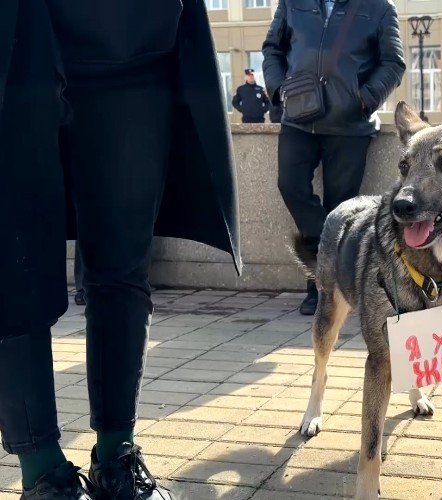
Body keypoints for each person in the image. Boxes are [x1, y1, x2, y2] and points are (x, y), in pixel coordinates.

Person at [0, 1, 242, 498]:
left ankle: (117, 460)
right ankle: (42, 473)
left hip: (135, 48)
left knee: (123, 264)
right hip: (11, 37)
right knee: (11, 264)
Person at [262, 0, 406, 315]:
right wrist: (279, 90)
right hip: (298, 118)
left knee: (340, 205)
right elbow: (273, 49)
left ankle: (321, 290)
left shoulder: (379, 7)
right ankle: (325, 269)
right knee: (291, 186)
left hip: (350, 125)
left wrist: (365, 99)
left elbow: (393, 63)